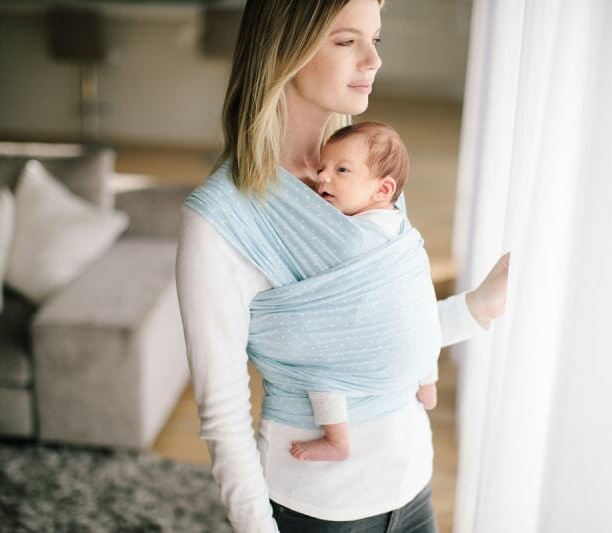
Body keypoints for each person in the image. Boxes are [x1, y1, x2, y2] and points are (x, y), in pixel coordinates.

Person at [175, 0, 511, 531]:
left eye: (376, 40)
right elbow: (222, 415)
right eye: (347, 41)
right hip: (320, 510)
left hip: (413, 487)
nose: (373, 60)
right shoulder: (221, 220)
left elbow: (385, 332)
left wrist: (476, 309)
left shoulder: (364, 173)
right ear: (284, 50)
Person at [289, 120, 441, 462]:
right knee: (421, 314)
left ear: (383, 190)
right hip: (419, 344)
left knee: (319, 366)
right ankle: (428, 384)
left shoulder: (352, 234)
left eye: (342, 170)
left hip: (375, 346)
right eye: (322, 168)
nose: (322, 178)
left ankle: (336, 440)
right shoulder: (400, 226)